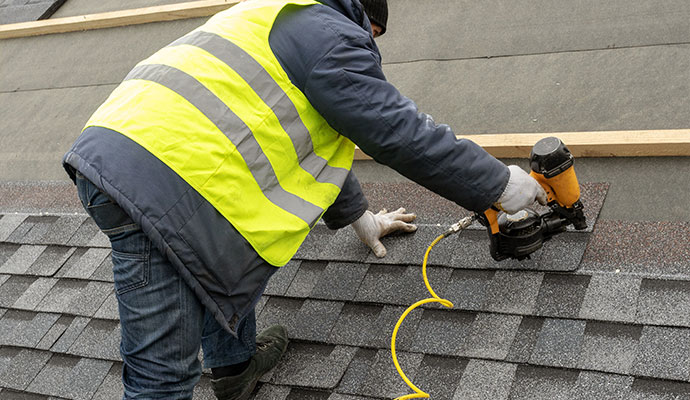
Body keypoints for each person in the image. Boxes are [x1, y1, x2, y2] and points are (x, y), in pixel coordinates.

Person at [62, 0, 546, 398]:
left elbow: (317, 141)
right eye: (374, 36)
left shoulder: (270, 15)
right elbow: (399, 133)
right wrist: (502, 186)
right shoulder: (332, 34)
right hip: (157, 181)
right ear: (366, 19)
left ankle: (236, 369)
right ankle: (218, 372)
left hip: (121, 154)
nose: (371, 46)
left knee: (214, 249)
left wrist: (363, 220)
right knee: (160, 380)